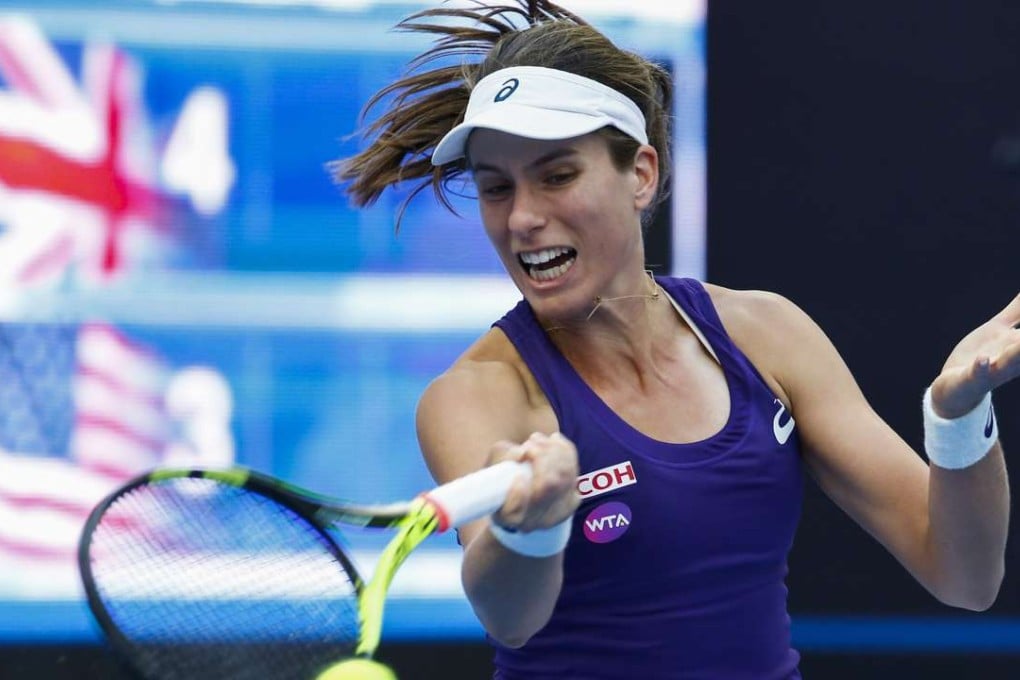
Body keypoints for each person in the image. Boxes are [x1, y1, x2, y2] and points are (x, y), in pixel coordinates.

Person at [334, 1, 1017, 677]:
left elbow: (964, 574)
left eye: (557, 175)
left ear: (641, 174)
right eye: (496, 188)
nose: (524, 217)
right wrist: (530, 527)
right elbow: (511, 617)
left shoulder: (766, 334)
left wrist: (957, 418)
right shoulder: (474, 396)